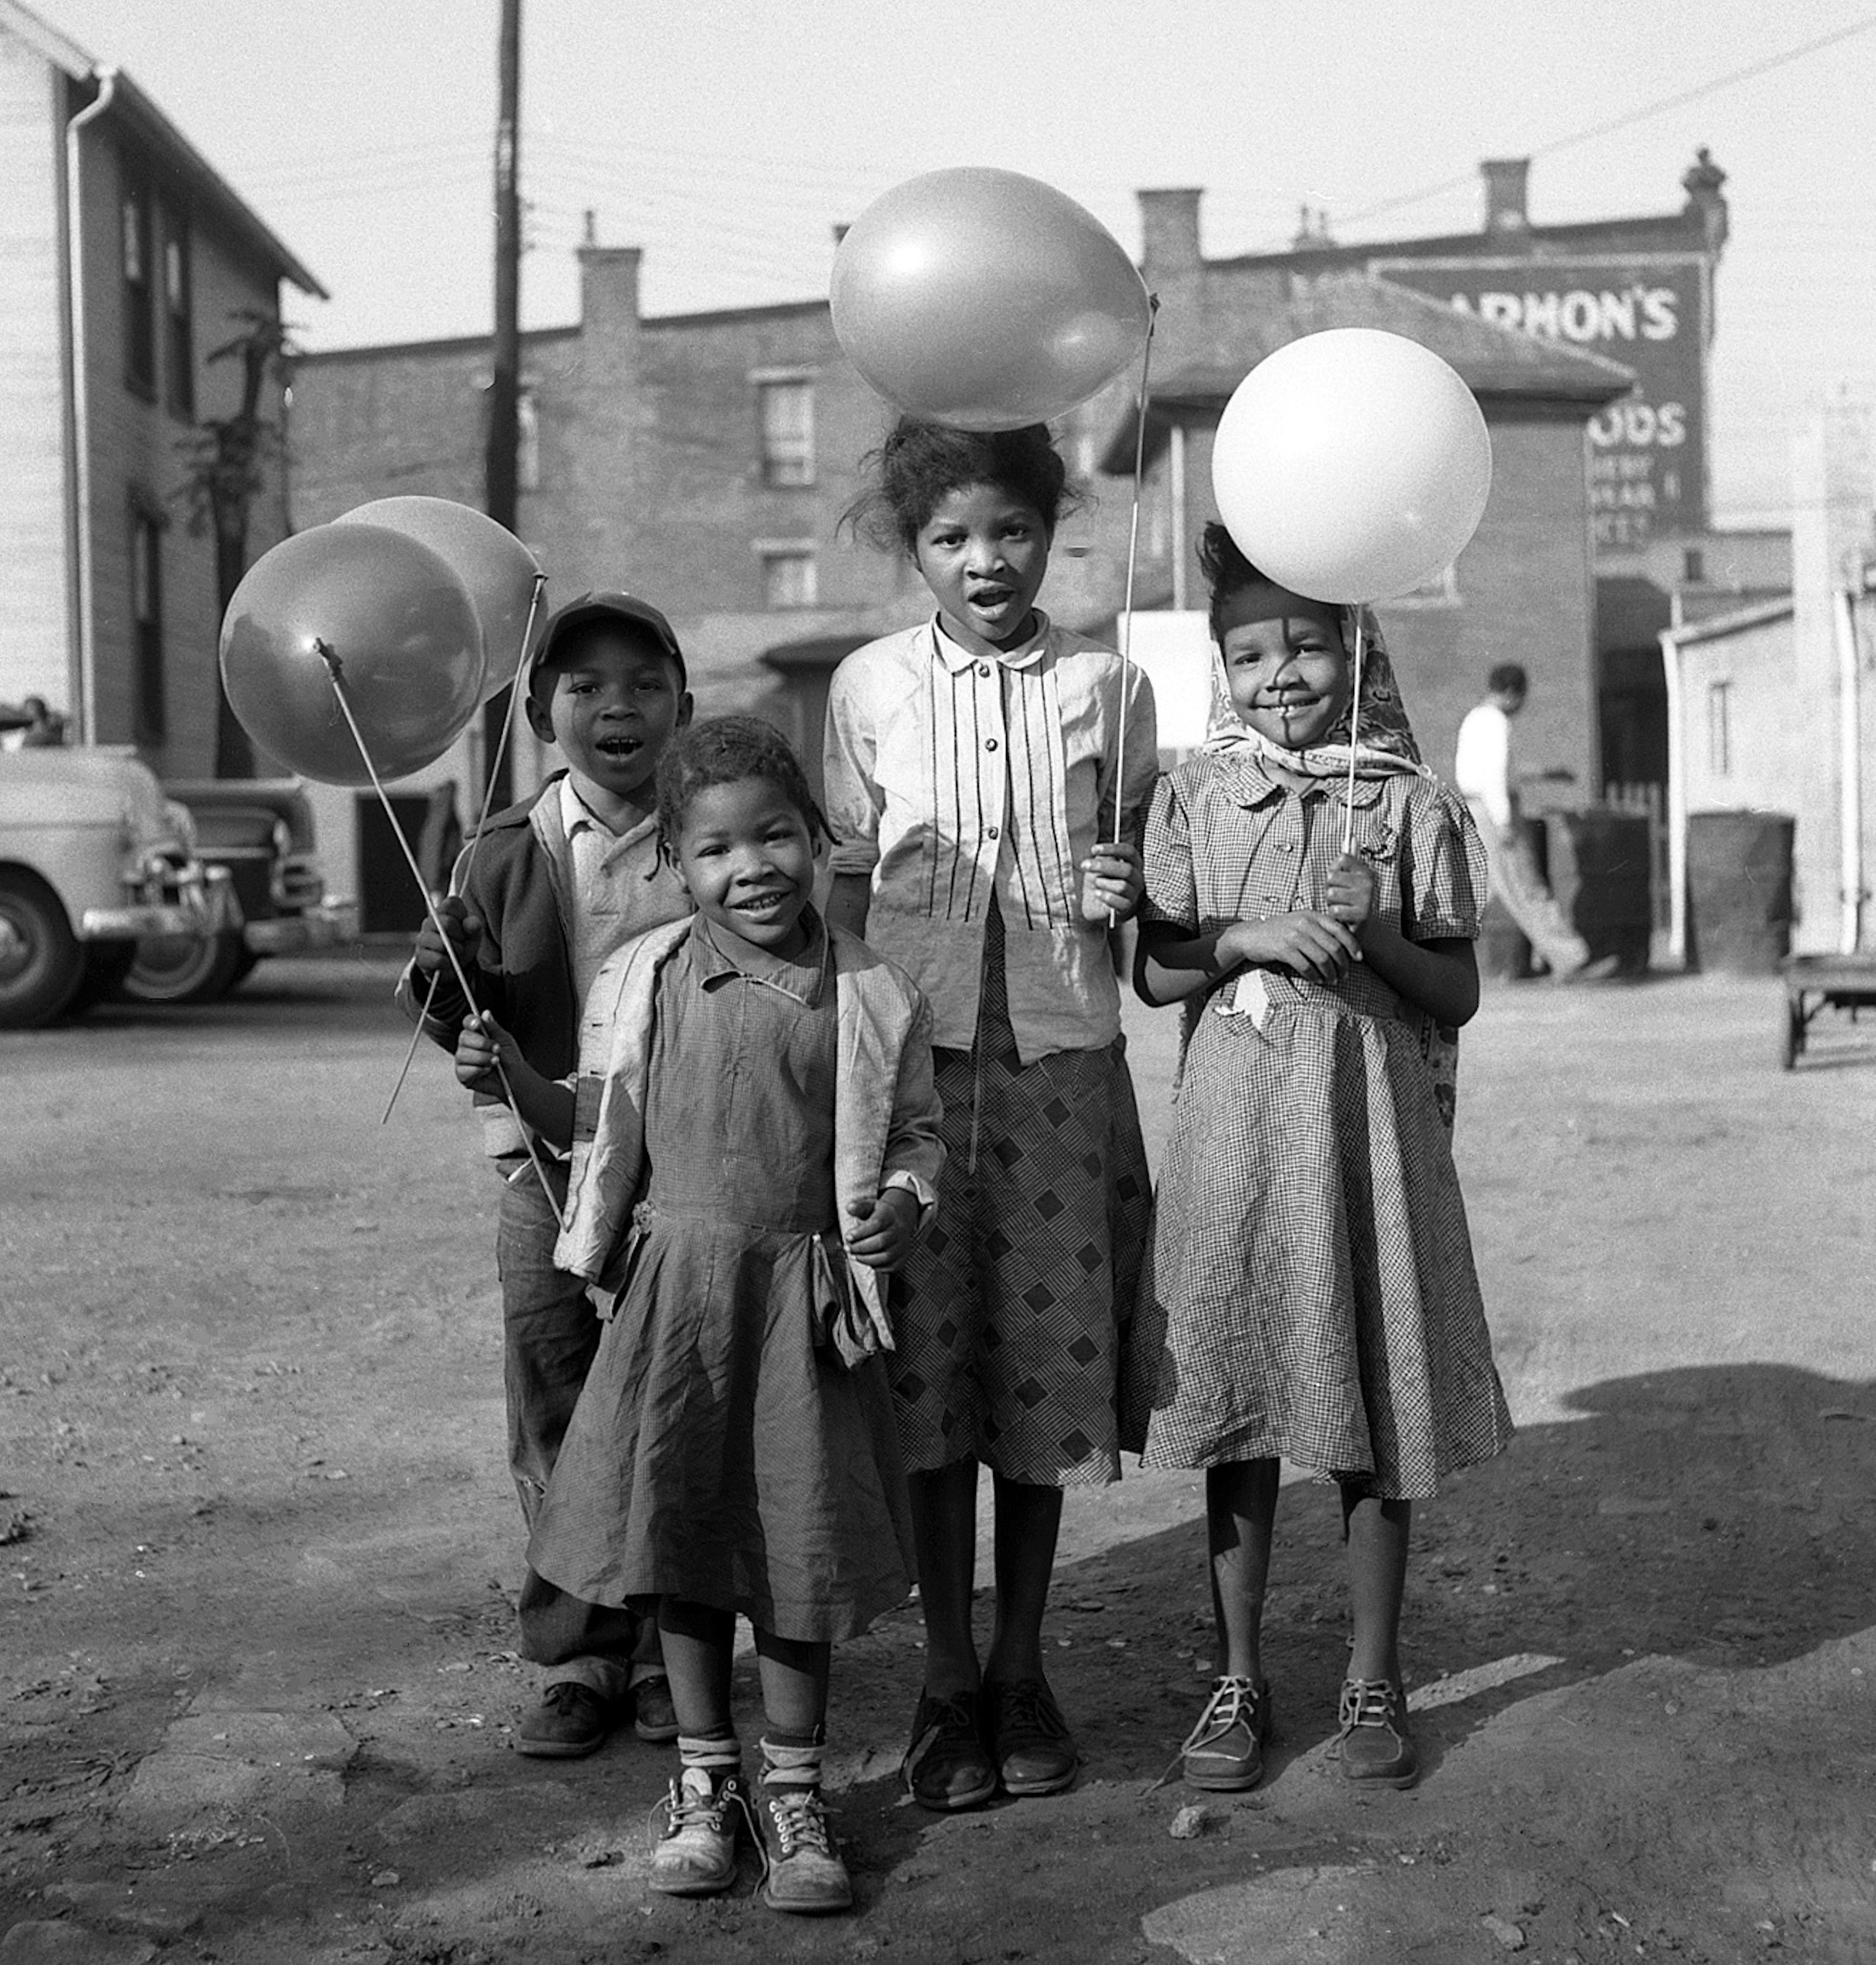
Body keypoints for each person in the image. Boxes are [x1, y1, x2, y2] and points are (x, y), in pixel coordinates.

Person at [457, 717, 944, 1914]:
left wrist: (902, 1200)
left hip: (800, 1310)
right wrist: (507, 1074)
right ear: (676, 863)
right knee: (678, 1541)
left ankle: (795, 1791)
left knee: (796, 1549)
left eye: (776, 836)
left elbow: (918, 1134)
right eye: (717, 849)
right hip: (675, 1305)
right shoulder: (644, 977)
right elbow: (595, 1119)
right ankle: (704, 1778)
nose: (752, 867)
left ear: (818, 837)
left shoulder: (872, 991)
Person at [1131, 524, 1513, 1795]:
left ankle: (1373, 1672)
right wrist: (1242, 937)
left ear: (1355, 648)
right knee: (1236, 1395)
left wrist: (1380, 932)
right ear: (1220, 665)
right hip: (1235, 1138)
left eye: (1304, 644)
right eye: (1249, 653)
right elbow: (1155, 969)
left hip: (1367, 1134)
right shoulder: (1192, 795)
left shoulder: (1406, 802)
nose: (1278, 672)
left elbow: (1455, 994)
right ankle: (1239, 1674)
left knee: (1370, 1389)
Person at [823, 418, 1157, 1813]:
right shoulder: (868, 686)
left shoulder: (1109, 686)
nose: (986, 561)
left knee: (1043, 1373)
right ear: (914, 549)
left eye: (1011, 529)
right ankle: (945, 1678)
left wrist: (1127, 890)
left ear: (1051, 531)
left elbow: (1147, 890)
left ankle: (1023, 1665)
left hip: (1064, 1066)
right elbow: (841, 886)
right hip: (915, 1069)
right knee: (926, 1377)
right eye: (951, 537)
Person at [401, 591, 695, 1760]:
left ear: (683, 705)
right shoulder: (498, 849)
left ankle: (675, 1651)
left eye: (644, 684)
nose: (618, 707)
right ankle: (582, 1653)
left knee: (673, 1401)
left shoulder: (711, 833)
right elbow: (451, 1002)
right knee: (556, 1400)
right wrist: (447, 997)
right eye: (585, 687)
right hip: (541, 1165)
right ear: (537, 714)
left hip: (683, 1168)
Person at [1453, 662, 1603, 982]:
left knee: (1490, 890)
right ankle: (1571, 959)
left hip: (1476, 808)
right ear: (1512, 692)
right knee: (1527, 886)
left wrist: (1547, 774)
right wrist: (1504, 821)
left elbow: (1499, 772)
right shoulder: (1496, 723)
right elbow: (1495, 777)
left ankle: (1460, 959)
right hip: (1494, 811)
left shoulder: (1475, 719)